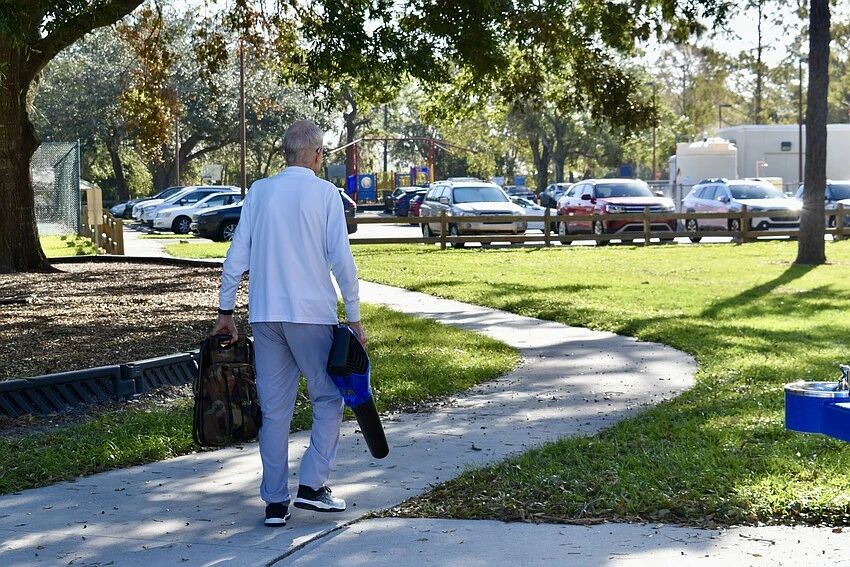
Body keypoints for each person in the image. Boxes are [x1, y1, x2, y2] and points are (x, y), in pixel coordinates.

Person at [212, 119, 367, 528]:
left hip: (265, 315)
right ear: (317, 155)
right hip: (312, 315)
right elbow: (341, 260)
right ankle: (313, 487)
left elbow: (235, 257)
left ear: (286, 153)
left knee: (276, 410)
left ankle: (275, 503)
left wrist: (225, 311)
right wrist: (354, 317)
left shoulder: (260, 192)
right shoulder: (325, 194)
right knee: (329, 399)